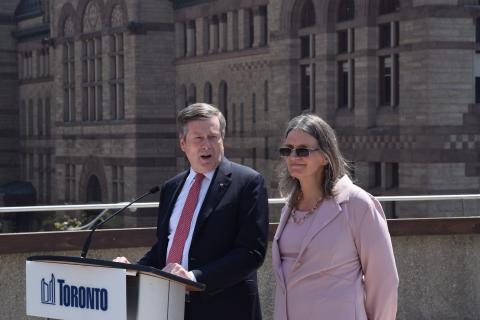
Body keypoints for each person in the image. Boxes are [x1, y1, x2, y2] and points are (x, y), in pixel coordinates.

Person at [115, 103, 269, 320]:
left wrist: (193, 278)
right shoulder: (171, 187)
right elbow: (164, 249)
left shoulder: (247, 183)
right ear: (183, 143)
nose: (207, 145)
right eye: (198, 138)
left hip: (225, 309)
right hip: (170, 307)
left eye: (213, 137)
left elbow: (250, 253)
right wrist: (134, 269)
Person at [272, 114, 399, 320]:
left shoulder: (358, 204)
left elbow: (384, 281)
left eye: (303, 150)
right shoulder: (290, 207)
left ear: (325, 156)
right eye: (287, 150)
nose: (294, 156)